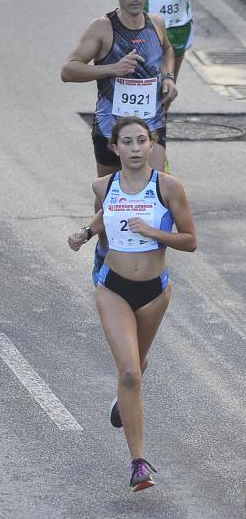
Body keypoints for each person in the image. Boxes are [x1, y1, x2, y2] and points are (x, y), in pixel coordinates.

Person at [67, 116, 196, 491]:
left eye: (142, 141)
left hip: (155, 291)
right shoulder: (103, 184)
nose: (136, 149)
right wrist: (86, 232)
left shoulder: (168, 188)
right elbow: (108, 211)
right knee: (129, 373)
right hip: (114, 287)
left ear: (152, 144)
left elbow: (190, 240)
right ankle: (138, 463)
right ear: (115, 148)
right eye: (128, 142)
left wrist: (154, 231)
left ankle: (124, 400)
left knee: (136, 364)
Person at [61, 0, 178, 284]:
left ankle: (151, 270)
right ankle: (105, 250)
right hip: (111, 129)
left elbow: (168, 51)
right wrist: (112, 68)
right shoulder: (102, 28)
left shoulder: (156, 23)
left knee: (154, 195)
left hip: (150, 126)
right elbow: (68, 70)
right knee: (112, 198)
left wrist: (168, 78)